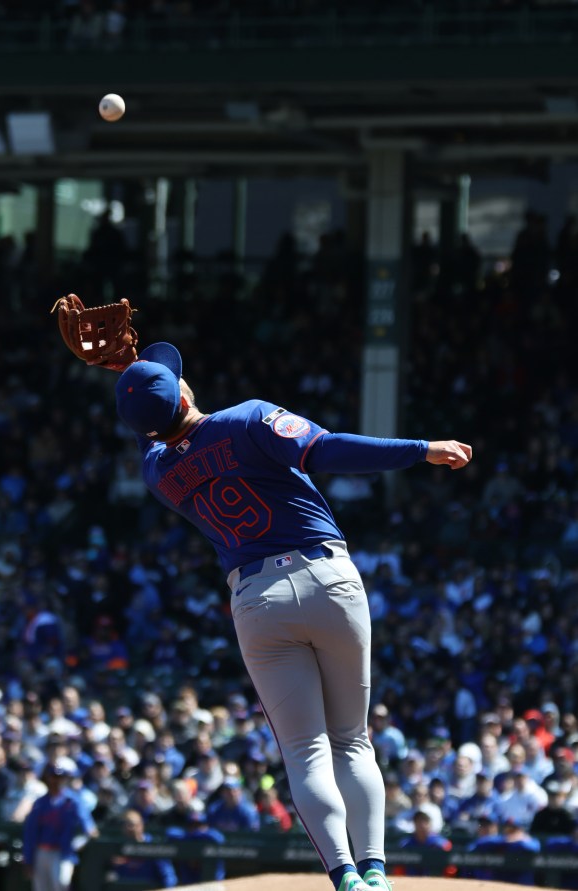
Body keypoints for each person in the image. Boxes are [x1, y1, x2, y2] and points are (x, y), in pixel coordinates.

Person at [111, 339, 472, 891]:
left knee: (305, 750)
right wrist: (421, 448)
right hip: (326, 577)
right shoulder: (247, 418)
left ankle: (345, 876)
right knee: (351, 739)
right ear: (184, 391)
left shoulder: (158, 474)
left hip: (256, 601)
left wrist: (128, 378)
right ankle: (375, 870)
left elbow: (153, 429)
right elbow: (328, 450)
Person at [23, 760, 97, 891]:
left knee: (62, 883)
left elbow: (88, 825)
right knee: (41, 887)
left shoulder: (73, 801)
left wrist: (82, 839)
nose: (56, 781)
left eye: (60, 777)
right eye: (53, 777)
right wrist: (28, 859)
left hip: (63, 852)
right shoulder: (40, 803)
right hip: (42, 851)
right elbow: (30, 832)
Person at [109, 809, 177, 888]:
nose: (128, 828)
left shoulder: (153, 846)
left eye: (131, 824)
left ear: (140, 825)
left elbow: (168, 877)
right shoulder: (120, 848)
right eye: (124, 824)